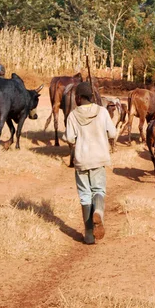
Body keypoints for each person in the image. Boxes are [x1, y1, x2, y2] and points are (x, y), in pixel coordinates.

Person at [64, 81, 117, 245]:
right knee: (98, 189)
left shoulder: (73, 115)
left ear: (78, 98)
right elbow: (113, 133)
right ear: (92, 97)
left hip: (81, 160)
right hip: (99, 157)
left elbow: (70, 138)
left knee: (85, 195)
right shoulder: (102, 112)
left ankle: (88, 235)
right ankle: (99, 211)